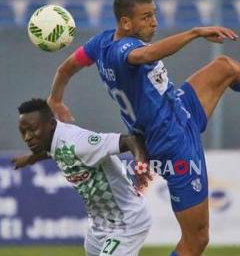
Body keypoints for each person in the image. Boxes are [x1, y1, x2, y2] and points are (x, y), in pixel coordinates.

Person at [48, 0, 240, 256]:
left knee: (225, 67)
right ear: (125, 23)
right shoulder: (122, 50)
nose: (154, 22)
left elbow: (66, 67)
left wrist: (56, 99)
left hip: (177, 107)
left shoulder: (101, 43)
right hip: (172, 141)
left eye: (154, 15)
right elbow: (147, 55)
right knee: (197, 240)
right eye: (145, 17)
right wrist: (195, 32)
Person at [12, 98, 153, 256]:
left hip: (127, 222)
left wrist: (141, 163)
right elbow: (53, 152)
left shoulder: (79, 142)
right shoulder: (53, 141)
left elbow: (130, 140)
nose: (27, 137)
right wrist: (30, 159)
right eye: (23, 131)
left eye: (32, 129)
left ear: (51, 124)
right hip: (99, 227)